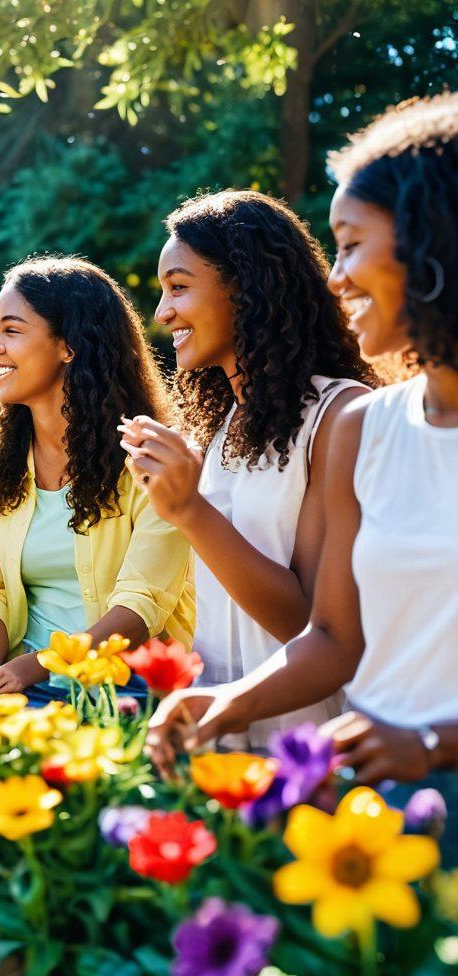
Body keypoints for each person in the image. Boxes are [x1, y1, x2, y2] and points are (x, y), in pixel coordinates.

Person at [146, 93, 458, 860]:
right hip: (358, 800)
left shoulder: (340, 414)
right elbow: (333, 635)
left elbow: (307, 623)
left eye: (350, 245)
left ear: (431, 243)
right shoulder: (378, 426)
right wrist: (219, 703)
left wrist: (432, 742)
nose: (337, 276)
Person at [120, 191, 377, 749]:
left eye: (179, 287)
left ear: (247, 285)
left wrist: (189, 509)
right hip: (216, 735)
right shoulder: (220, 426)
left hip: (304, 743)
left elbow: (308, 623)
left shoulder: (338, 415)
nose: (163, 312)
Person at [0, 256, 195, 711]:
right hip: (22, 692)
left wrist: (38, 666)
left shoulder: (152, 456)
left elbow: (141, 606)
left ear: (68, 346)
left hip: (128, 693)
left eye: (12, 330)